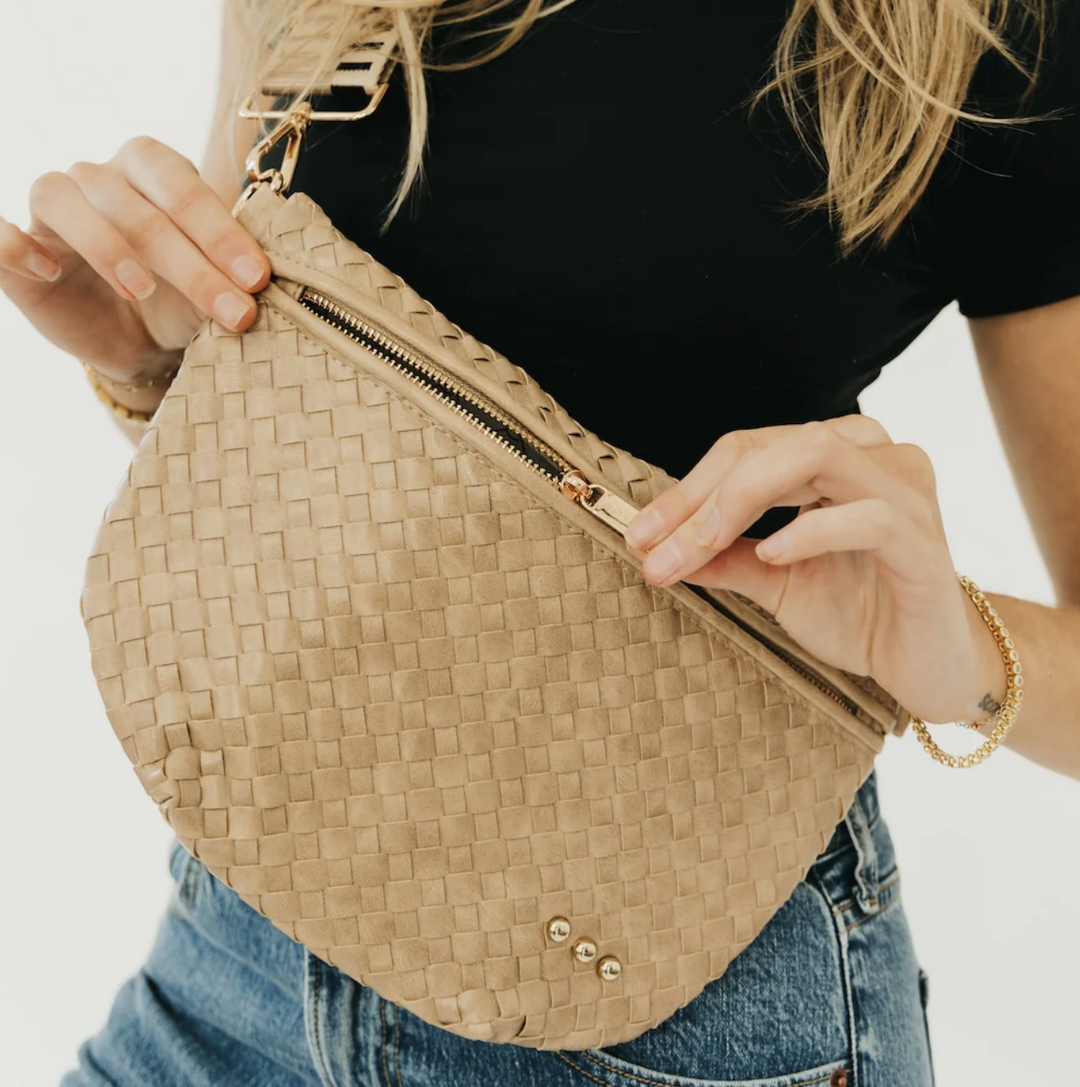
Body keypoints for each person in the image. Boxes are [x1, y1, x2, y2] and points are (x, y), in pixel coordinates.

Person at [3, 0, 1080, 1083]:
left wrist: (976, 655)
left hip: (674, 1009)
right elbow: (292, 352)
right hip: (238, 935)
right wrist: (148, 355)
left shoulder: (1001, 34)